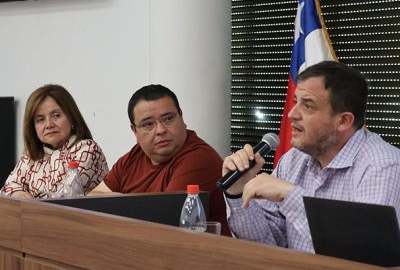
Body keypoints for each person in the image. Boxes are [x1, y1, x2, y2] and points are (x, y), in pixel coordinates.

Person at [222, 61, 400, 251]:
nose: (291, 114)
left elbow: (366, 252)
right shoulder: (294, 159)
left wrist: (291, 196)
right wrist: (237, 192)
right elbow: (265, 243)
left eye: (307, 106)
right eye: (295, 101)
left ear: (343, 120)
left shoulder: (383, 166)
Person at [90, 84, 230, 235]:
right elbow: (91, 199)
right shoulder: (134, 156)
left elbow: (163, 223)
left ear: (181, 117)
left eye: (168, 119)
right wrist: (124, 203)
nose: (161, 130)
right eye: (148, 124)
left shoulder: (198, 157)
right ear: (134, 130)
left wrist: (118, 203)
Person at [1, 84, 109, 198]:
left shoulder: (87, 149)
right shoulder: (31, 155)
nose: (49, 125)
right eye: (40, 119)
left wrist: (28, 199)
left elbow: (63, 198)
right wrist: (19, 193)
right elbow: (7, 189)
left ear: (72, 117)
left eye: (56, 115)